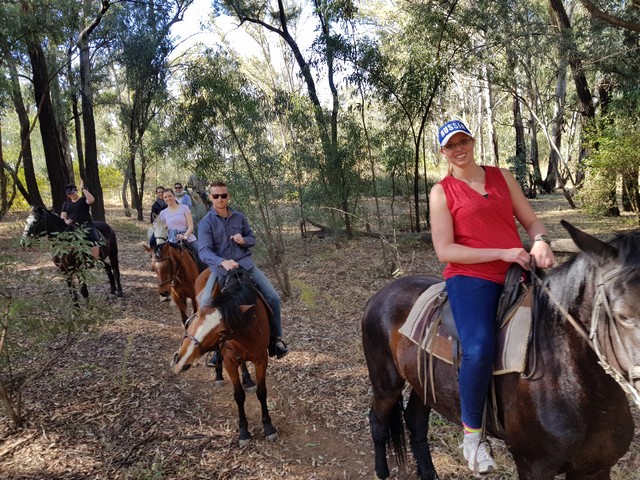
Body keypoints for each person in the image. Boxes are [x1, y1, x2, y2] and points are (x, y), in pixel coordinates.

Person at [429, 120, 555, 474]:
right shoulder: (443, 192)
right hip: (471, 278)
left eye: (463, 141)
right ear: (443, 152)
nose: (459, 149)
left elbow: (531, 222)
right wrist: (502, 252)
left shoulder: (503, 177)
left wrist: (541, 240)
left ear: (472, 141)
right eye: (451, 145)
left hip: (518, 271)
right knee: (480, 346)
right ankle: (472, 437)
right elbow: (445, 250)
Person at [197, 181, 289, 359]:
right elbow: (204, 251)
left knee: (274, 298)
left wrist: (243, 240)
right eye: (216, 196)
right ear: (210, 198)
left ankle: (274, 340)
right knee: (205, 304)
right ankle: (215, 348)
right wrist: (222, 262)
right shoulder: (206, 223)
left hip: (246, 266)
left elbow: (252, 238)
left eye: (223, 195)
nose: (220, 199)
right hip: (221, 270)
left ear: (228, 196)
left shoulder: (239, 217)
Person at [61, 180, 101, 260]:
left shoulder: (83, 200)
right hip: (72, 226)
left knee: (92, 238)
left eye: (72, 192)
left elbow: (91, 200)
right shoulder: (66, 204)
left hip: (85, 225)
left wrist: (83, 188)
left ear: (76, 191)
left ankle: (95, 260)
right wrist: (66, 221)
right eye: (69, 194)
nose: (71, 195)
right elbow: (63, 216)